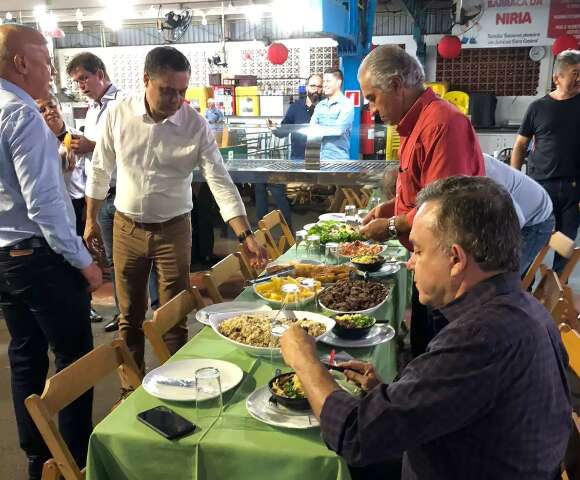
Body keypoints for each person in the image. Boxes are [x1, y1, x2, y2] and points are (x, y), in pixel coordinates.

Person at [280, 176, 572, 480]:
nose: (410, 263)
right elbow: (464, 401)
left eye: (418, 251)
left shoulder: (480, 336)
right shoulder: (525, 307)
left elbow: (356, 436)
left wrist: (305, 361)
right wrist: (390, 394)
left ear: (456, 259)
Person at [84, 46, 267, 374]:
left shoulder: (195, 125)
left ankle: (175, 384)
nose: (175, 100)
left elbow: (220, 180)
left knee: (173, 315)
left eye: (181, 92)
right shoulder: (118, 114)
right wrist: (90, 219)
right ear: (145, 81)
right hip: (126, 228)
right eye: (167, 91)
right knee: (130, 316)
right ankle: (131, 386)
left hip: (174, 230)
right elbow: (99, 168)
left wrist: (245, 234)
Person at [0, 24, 102, 480]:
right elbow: (44, 205)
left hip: (5, 258)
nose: (52, 71)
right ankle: (73, 459)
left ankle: (38, 458)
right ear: (19, 62)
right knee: (75, 358)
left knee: (24, 354)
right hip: (38, 257)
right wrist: (84, 263)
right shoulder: (21, 115)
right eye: (44, 60)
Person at [359, 45, 484, 357]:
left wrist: (389, 226)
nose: (372, 110)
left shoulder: (443, 123)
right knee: (420, 344)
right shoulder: (414, 124)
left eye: (373, 98)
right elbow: (421, 190)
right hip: (427, 261)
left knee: (437, 353)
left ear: (398, 85)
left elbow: (444, 209)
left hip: (450, 270)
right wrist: (389, 208)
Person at [66, 52, 159, 332]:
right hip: (101, 197)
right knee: (116, 261)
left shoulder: (124, 103)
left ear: (100, 74)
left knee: (145, 257)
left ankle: (157, 314)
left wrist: (91, 146)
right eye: (76, 81)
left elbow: (135, 146)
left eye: (84, 78)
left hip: (126, 194)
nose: (81, 85)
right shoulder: (93, 110)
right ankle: (125, 314)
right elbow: (96, 158)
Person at [511, 49, 580, 274]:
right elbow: (520, 145)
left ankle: (558, 289)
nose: (579, 78)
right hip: (539, 185)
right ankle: (525, 287)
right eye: (575, 73)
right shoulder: (538, 107)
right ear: (557, 78)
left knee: (566, 243)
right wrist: (516, 180)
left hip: (573, 188)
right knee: (532, 237)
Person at [257, 73, 324, 227]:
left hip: (319, 162)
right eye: (313, 86)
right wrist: (274, 128)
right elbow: (283, 132)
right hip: (296, 162)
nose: (316, 89)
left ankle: (289, 228)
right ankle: (270, 230)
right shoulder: (295, 108)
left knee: (277, 187)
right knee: (261, 182)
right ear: (307, 87)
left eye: (319, 86)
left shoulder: (325, 108)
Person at [483, 154, 554, 275]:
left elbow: (515, 221)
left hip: (534, 222)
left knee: (502, 279)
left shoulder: (486, 175)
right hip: (520, 213)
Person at [36, 95, 86, 235]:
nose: (49, 111)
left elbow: (91, 174)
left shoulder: (81, 138)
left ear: (61, 108)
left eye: (52, 106)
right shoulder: (34, 143)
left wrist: (90, 208)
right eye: (42, 110)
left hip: (78, 203)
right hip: (51, 206)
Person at [310, 68, 354, 159]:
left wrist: (318, 129)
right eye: (324, 81)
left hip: (338, 162)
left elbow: (338, 130)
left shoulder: (347, 104)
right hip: (320, 160)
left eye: (328, 81)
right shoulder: (320, 105)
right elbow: (311, 127)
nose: (324, 85)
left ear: (338, 83)